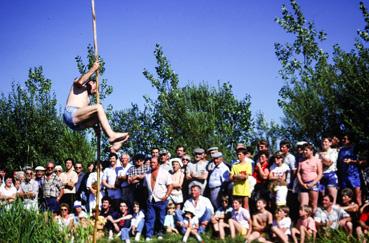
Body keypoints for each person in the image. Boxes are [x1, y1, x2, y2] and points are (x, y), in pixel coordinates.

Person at [63, 61, 129, 152]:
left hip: (77, 124)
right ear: (91, 82)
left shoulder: (88, 99)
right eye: (96, 87)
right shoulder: (80, 86)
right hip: (71, 113)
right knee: (98, 107)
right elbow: (80, 81)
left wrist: (95, 128)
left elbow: (86, 115)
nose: (96, 91)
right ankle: (111, 135)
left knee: (98, 116)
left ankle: (115, 143)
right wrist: (93, 69)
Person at [144, 156, 173, 241]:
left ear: (158, 163)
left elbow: (170, 185)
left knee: (161, 218)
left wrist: (167, 195)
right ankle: (148, 235)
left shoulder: (165, 173)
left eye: (154, 162)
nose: (151, 164)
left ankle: (160, 232)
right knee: (150, 217)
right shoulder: (147, 173)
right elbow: (145, 187)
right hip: (151, 199)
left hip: (162, 199)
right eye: (151, 162)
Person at [338, 133, 362, 206]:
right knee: (345, 197)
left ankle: (361, 215)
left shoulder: (355, 148)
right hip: (344, 176)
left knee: (357, 197)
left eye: (346, 139)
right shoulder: (341, 150)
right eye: (343, 139)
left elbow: (362, 161)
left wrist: (351, 161)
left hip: (354, 175)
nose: (345, 140)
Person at [296, 143, 322, 212]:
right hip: (303, 184)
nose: (304, 152)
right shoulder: (301, 161)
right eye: (304, 150)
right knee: (303, 205)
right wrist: (301, 183)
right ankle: (304, 220)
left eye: (306, 150)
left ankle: (314, 220)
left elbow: (320, 174)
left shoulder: (317, 160)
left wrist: (313, 183)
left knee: (313, 204)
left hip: (313, 184)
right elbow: (298, 173)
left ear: (311, 151)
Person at [319, 137, 339, 204]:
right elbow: (316, 165)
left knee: (332, 199)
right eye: (322, 141)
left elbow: (329, 163)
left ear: (330, 143)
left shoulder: (334, 151)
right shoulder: (318, 153)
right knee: (322, 199)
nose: (323, 143)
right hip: (321, 177)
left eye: (325, 141)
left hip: (331, 175)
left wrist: (322, 157)